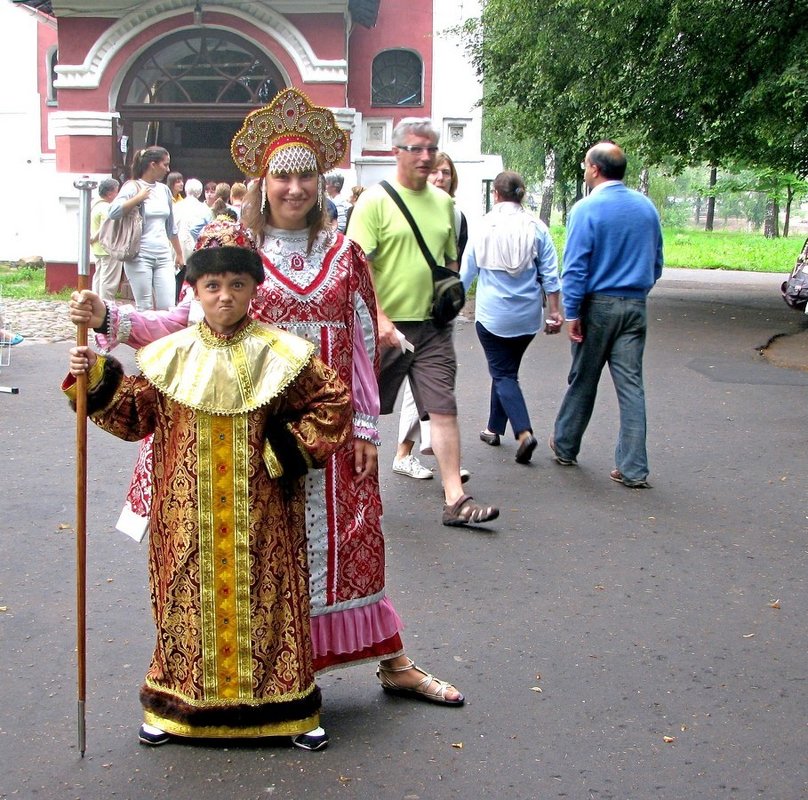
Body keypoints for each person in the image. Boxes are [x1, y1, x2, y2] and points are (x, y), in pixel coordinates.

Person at [70, 88, 465, 707]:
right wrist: (109, 319)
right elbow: (182, 323)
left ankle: (393, 663)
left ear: (321, 179)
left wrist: (365, 427)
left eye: (306, 174)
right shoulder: (241, 254)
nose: (295, 188)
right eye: (282, 175)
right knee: (261, 557)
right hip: (253, 436)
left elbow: (364, 341)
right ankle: (269, 679)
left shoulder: (347, 254)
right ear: (263, 181)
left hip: (329, 428)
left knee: (352, 546)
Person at [63, 219, 352, 751]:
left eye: (236, 284)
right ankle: (177, 707)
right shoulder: (170, 354)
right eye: (212, 285)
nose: (224, 296)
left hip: (264, 512)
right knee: (182, 602)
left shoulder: (283, 353)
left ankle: (288, 710)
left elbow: (334, 403)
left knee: (271, 603)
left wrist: (286, 450)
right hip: (185, 514)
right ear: (193, 290)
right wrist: (95, 376)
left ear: (253, 288)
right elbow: (135, 415)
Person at [348, 118, 499, 527]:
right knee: (363, 412)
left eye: (431, 148)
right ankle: (353, 499)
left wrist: (447, 300)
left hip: (432, 328)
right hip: (384, 329)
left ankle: (456, 499)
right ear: (396, 152)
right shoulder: (375, 201)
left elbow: (450, 259)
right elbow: (358, 267)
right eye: (416, 148)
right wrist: (378, 319)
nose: (426, 156)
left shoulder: (444, 204)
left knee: (443, 408)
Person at [549, 141, 663, 488]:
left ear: (595, 169)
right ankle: (633, 468)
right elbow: (656, 262)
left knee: (584, 376)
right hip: (636, 305)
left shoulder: (587, 209)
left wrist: (573, 313)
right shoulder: (646, 208)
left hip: (597, 305)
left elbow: (576, 267)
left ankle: (566, 445)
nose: (585, 170)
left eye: (585, 165)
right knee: (631, 387)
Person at [461, 170, 563, 464]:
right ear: (523, 194)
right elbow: (551, 276)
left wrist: (450, 302)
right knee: (505, 370)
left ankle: (523, 433)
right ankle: (494, 428)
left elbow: (466, 272)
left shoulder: (483, 226)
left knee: (503, 373)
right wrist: (554, 312)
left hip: (492, 316)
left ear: (495, 194)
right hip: (527, 317)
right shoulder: (538, 228)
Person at [392, 152, 469, 480]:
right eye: (434, 172)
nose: (440, 178)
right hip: (401, 314)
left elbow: (455, 263)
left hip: (437, 315)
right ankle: (408, 452)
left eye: (446, 173)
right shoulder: (405, 209)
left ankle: (433, 458)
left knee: (433, 387)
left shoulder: (456, 215)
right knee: (383, 390)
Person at [107, 146, 184, 311]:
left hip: (163, 254)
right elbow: (113, 212)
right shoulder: (132, 187)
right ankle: (146, 337)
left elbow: (171, 226)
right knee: (145, 306)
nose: (168, 169)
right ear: (153, 164)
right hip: (139, 255)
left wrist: (178, 253)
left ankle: (164, 336)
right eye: (165, 164)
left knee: (168, 306)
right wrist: (138, 198)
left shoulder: (164, 190)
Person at [89, 178, 121, 302]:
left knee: (99, 276)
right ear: (109, 194)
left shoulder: (96, 205)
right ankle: (106, 305)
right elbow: (105, 225)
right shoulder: (106, 207)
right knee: (108, 280)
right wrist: (94, 238)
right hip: (107, 248)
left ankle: (95, 301)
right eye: (116, 192)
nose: (117, 195)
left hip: (98, 248)